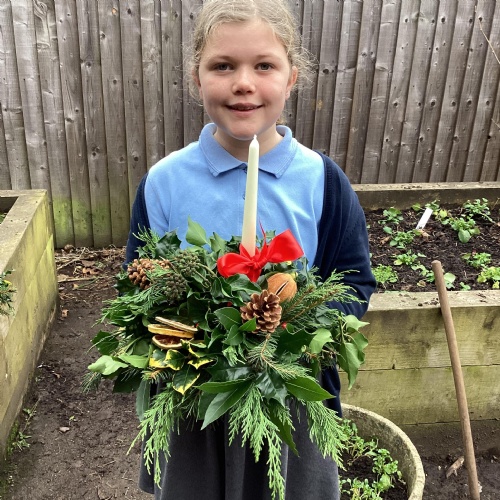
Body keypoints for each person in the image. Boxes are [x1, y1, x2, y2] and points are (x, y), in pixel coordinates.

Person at [125, 1, 376, 498]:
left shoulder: (323, 182)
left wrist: (294, 331)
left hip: (289, 400)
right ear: (197, 78)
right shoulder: (165, 182)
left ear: (292, 77)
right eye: (223, 66)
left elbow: (353, 281)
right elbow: (139, 282)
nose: (244, 83)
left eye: (264, 65)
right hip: (192, 401)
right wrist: (191, 336)